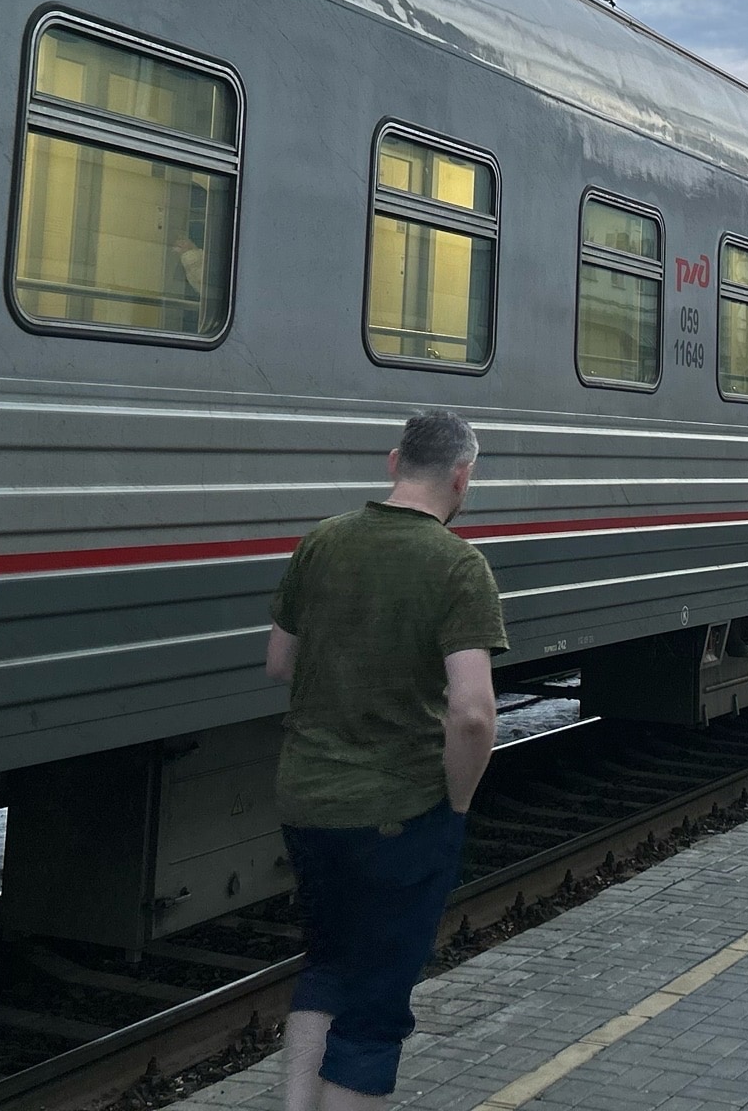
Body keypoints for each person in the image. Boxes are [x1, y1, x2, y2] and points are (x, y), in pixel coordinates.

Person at [266, 412, 507, 1106]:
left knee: (326, 969)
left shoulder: (323, 540)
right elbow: (471, 712)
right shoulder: (459, 565)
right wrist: (457, 802)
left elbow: (278, 661)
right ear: (462, 477)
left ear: (393, 460)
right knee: (373, 1010)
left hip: (308, 801)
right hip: (399, 811)